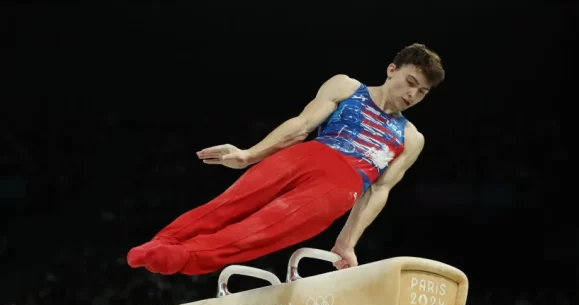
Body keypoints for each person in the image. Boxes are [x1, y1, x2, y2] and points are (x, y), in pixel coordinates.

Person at [127, 43, 445, 275]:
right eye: (411, 82)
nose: (413, 94)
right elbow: (302, 125)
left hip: (341, 185)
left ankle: (183, 256)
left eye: (422, 92)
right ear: (392, 70)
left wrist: (346, 242)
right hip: (308, 154)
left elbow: (378, 192)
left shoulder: (410, 138)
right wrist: (249, 154)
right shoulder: (347, 87)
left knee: (261, 229)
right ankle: (161, 241)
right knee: (229, 204)